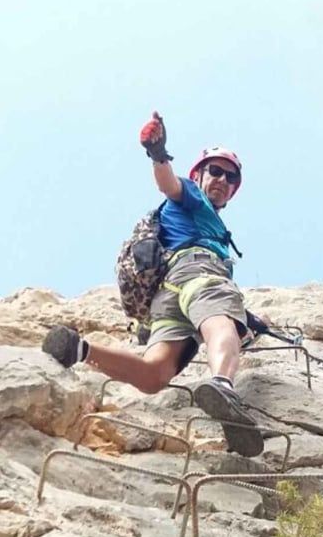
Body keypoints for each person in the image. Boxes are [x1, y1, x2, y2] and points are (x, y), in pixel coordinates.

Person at [42, 111, 263, 456]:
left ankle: (77, 349)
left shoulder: (197, 215)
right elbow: (168, 183)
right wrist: (158, 154)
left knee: (154, 374)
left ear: (233, 189)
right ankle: (222, 383)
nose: (222, 179)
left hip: (168, 293)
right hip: (198, 272)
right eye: (215, 171)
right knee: (222, 324)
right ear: (199, 175)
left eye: (229, 176)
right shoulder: (191, 195)